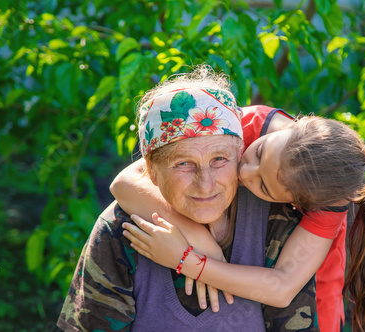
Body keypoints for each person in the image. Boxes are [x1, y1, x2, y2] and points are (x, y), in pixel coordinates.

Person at [58, 66, 323, 331]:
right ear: (151, 170)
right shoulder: (123, 230)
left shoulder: (274, 223)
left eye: (219, 159)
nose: (205, 184)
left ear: (239, 154)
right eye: (184, 163)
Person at [113, 104, 365, 331]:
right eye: (260, 153)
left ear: (293, 203)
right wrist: (204, 244)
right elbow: (124, 182)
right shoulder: (241, 123)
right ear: (297, 124)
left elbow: (283, 287)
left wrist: (189, 262)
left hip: (318, 275)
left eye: (263, 186)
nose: (244, 172)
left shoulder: (327, 202)